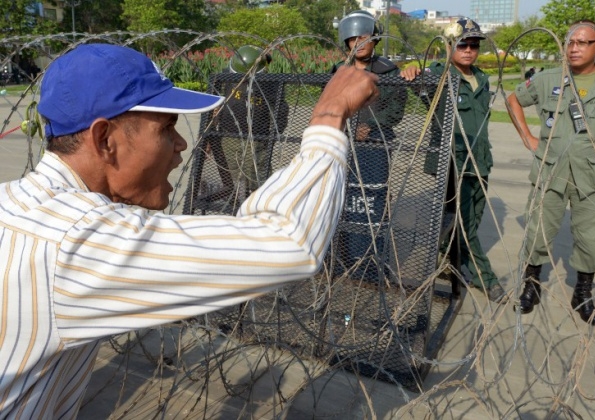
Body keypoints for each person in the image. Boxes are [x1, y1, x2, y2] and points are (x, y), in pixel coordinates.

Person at [0, 43, 378, 418]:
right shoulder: (76, 242)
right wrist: (330, 116)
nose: (181, 144)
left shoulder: (14, 203)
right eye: (166, 128)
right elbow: (288, 240)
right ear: (105, 140)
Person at [506, 20, 595, 325]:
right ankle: (531, 286)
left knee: (590, 239)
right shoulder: (549, 79)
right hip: (550, 170)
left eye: (582, 43)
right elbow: (513, 99)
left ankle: (583, 293)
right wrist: (528, 138)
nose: (573, 48)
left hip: (593, 174)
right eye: (570, 42)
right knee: (537, 232)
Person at [401, 18, 505, 303]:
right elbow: (415, 84)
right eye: (462, 44)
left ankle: (450, 262)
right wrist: (411, 71)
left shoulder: (481, 78)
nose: (469, 50)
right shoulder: (437, 75)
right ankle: (486, 278)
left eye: (473, 45)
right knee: (464, 224)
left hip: (479, 161)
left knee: (465, 220)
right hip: (452, 164)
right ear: (449, 46)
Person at [331, 10, 407, 281]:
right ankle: (340, 259)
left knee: (370, 202)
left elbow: (396, 109)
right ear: (347, 43)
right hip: (342, 146)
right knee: (341, 199)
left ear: (374, 38)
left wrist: (372, 124)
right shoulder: (338, 72)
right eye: (353, 39)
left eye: (364, 37)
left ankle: (369, 262)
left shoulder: (387, 70)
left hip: (375, 146)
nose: (359, 44)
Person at [203, 45, 288, 208]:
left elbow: (280, 111)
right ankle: (237, 208)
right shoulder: (226, 78)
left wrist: (271, 136)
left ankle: (258, 209)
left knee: (258, 181)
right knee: (233, 179)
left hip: (256, 140)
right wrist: (209, 134)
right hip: (228, 136)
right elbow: (216, 106)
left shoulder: (271, 83)